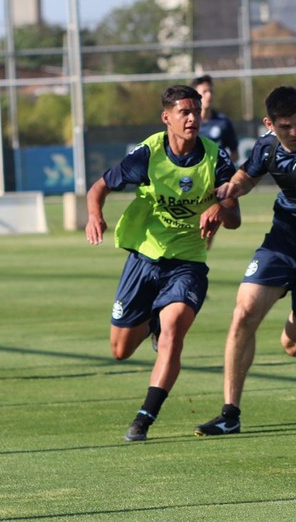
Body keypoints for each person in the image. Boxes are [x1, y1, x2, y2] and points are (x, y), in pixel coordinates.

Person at [194, 85, 296, 437]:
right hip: (283, 240)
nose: (295, 132)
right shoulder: (266, 147)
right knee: (244, 311)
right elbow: (247, 176)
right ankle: (230, 414)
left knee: (294, 345)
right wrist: (228, 192)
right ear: (270, 124)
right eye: (285, 126)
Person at [85, 84, 241, 442]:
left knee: (172, 334)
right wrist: (95, 215)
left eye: (196, 111)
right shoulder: (148, 154)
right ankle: (152, 319)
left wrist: (223, 206)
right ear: (166, 117)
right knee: (120, 350)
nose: (192, 118)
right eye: (184, 112)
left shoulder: (217, 159)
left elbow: (235, 222)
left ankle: (143, 419)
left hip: (188, 262)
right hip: (144, 256)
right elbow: (99, 187)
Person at [192, 75, 239, 163]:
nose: (209, 95)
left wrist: (222, 167)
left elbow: (235, 154)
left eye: (211, 91)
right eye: (204, 92)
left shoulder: (223, 122)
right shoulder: (189, 122)